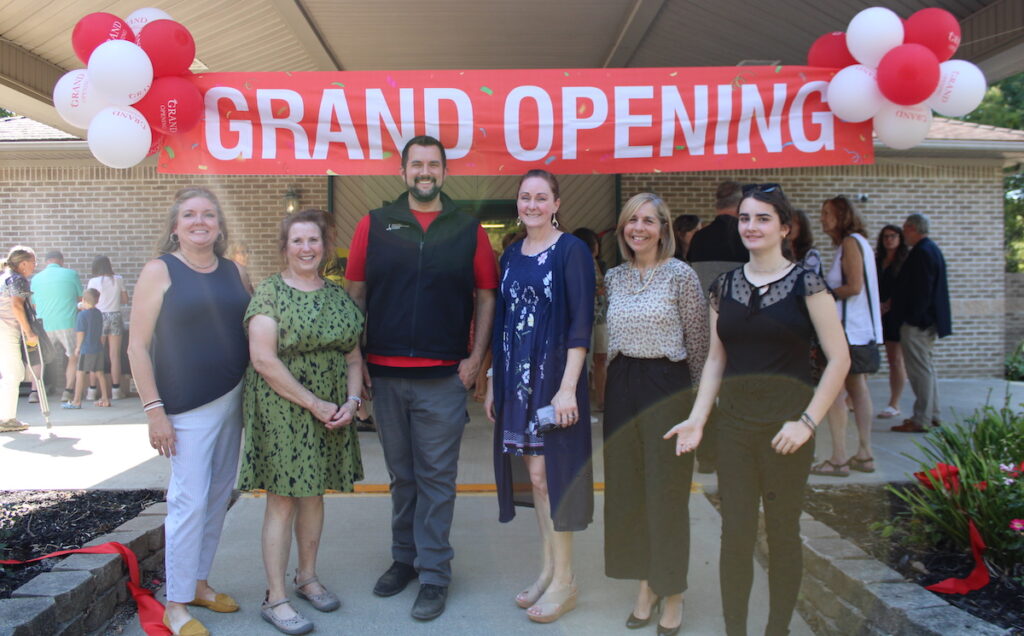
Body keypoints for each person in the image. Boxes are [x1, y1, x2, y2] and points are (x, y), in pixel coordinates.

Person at [665, 183, 849, 636]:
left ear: (785, 228)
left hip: (788, 431)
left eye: (763, 218)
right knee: (735, 537)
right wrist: (698, 417)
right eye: (745, 218)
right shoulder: (724, 286)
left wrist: (808, 423)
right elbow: (715, 359)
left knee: (783, 536)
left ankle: (778, 630)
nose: (751, 226)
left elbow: (839, 359)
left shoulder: (806, 282)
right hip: (735, 429)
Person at [344, 135, 497, 621]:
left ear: (445, 173)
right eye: (417, 164)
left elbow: (487, 295)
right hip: (386, 377)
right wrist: (357, 363)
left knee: (436, 478)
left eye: (433, 164)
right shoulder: (374, 224)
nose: (425, 172)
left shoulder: (468, 229)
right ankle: (404, 559)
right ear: (404, 171)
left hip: (444, 377)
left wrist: (477, 357)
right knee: (402, 477)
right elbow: (355, 294)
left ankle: (434, 573)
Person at [127, 186, 252, 636]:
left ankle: (198, 583)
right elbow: (137, 346)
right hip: (184, 408)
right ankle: (175, 605)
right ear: (176, 225)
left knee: (218, 497)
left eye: (209, 215)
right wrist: (154, 410)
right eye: (190, 215)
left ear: (219, 225)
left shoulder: (236, 272)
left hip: (234, 398)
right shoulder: (160, 271)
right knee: (188, 502)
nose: (200, 221)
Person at [239, 209, 365, 635]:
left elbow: (351, 355)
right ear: (285, 247)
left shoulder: (335, 295)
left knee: (314, 494)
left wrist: (351, 399)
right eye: (298, 241)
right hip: (283, 406)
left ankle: (306, 577)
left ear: (324, 247)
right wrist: (314, 403)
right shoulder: (270, 293)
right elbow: (263, 359)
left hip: (329, 408)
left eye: (313, 241)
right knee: (284, 499)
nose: (307, 248)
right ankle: (275, 598)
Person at [485, 169, 595, 624]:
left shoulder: (572, 251)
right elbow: (503, 321)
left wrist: (568, 388)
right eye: (525, 197)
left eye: (541, 197)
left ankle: (566, 580)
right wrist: (494, 377)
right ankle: (548, 570)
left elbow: (580, 324)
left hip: (554, 384)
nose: (531, 204)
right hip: (516, 382)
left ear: (556, 204)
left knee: (554, 478)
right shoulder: (511, 255)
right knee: (536, 477)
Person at [603, 193, 708, 636]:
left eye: (648, 221)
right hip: (623, 385)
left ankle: (674, 592)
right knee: (628, 494)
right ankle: (646, 585)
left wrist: (701, 411)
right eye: (632, 221)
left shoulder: (680, 276)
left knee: (666, 496)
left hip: (668, 387)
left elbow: (700, 346)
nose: (639, 228)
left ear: (663, 229)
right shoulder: (613, 277)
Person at [811, 196, 882, 477]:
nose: (822, 219)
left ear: (843, 215)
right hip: (860, 332)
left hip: (848, 332)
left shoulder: (851, 243)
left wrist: (822, 293)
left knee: (835, 393)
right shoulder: (857, 242)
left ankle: (839, 458)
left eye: (827, 213)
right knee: (858, 391)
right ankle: (864, 453)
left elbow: (853, 286)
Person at [686, 180, 748, 474]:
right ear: (739, 206)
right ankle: (738, 454)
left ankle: (708, 456)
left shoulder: (699, 239)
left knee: (706, 387)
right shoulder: (746, 236)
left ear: (716, 204)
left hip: (703, 323)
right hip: (742, 324)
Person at [889, 213, 952, 433]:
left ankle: (921, 418)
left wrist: (913, 318)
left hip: (918, 324)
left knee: (919, 372)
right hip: (925, 321)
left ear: (913, 228)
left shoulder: (923, 252)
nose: (904, 233)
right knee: (927, 369)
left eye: (905, 228)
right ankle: (932, 414)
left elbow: (922, 290)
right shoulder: (929, 249)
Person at [30, 250, 83, 402]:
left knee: (38, 358)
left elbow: (33, 305)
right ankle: (67, 391)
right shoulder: (71, 274)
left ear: (47, 262)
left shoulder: (36, 278)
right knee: (73, 356)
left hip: (43, 324)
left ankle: (35, 392)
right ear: (61, 261)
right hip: (68, 322)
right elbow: (80, 298)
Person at [0, 247, 38, 433]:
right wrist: (28, 331)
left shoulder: (4, 276)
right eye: (33, 261)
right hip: (6, 328)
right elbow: (16, 305)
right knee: (13, 372)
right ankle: (5, 418)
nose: (35, 265)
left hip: (3, 327)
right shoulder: (17, 279)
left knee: (10, 372)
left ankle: (5, 416)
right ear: (23, 264)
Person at [572, 227, 608, 413]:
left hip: (601, 318)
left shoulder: (599, 264)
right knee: (583, 363)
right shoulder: (578, 262)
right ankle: (581, 405)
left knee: (601, 359)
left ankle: (602, 400)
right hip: (586, 320)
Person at [875, 225, 910, 420]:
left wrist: (888, 304)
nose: (889, 240)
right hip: (875, 313)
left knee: (895, 359)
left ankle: (894, 403)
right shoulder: (877, 259)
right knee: (866, 354)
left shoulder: (904, 260)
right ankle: (852, 399)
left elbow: (904, 287)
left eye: (893, 236)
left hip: (894, 314)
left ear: (900, 238)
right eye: (885, 237)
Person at [87, 256, 130, 400]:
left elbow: (88, 301)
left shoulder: (93, 281)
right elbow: (125, 300)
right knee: (115, 355)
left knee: (95, 353)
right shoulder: (118, 279)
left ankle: (92, 391)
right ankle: (116, 390)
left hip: (98, 317)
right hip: (115, 317)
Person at [63, 288, 109, 408]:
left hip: (86, 349)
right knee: (100, 373)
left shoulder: (82, 315)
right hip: (98, 347)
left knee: (80, 374)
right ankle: (105, 399)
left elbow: (80, 333)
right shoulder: (98, 313)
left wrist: (78, 347)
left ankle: (76, 401)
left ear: (83, 300)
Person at [789, 209, 821, 275]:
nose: (790, 226)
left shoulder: (812, 254)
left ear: (803, 228)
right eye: (789, 222)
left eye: (795, 223)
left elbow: (808, 281)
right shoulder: (781, 251)